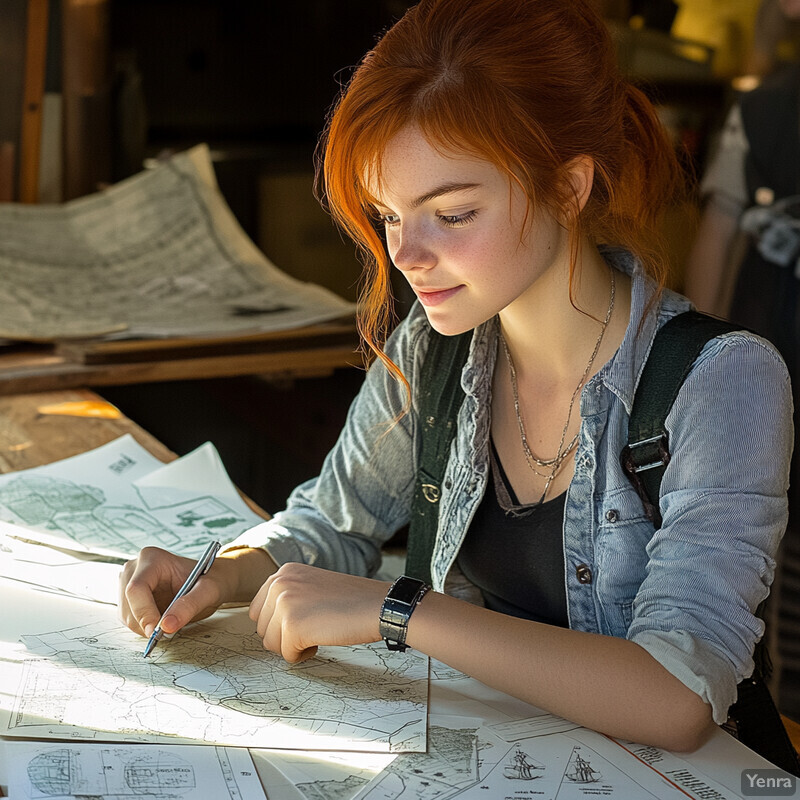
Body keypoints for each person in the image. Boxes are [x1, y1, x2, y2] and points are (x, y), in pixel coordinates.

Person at [119, 0, 793, 755]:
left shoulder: (722, 380)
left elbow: (678, 697)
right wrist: (227, 573)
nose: (406, 255)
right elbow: (335, 525)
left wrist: (400, 610)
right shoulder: (435, 347)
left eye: (454, 213)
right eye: (389, 215)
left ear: (568, 188)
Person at [683, 0, 800, 721]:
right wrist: (696, 366)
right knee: (781, 576)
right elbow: (716, 241)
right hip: (780, 378)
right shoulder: (762, 113)